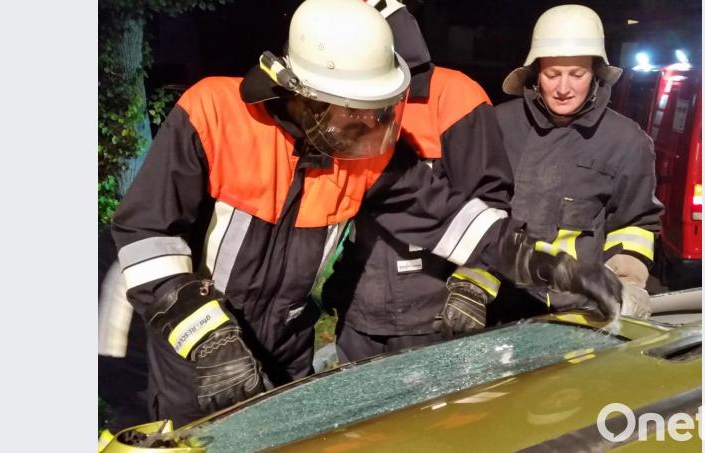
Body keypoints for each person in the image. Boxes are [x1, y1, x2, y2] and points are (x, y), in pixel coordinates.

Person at [111, 0, 623, 427]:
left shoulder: (361, 152)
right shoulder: (212, 115)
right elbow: (146, 236)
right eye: (353, 109)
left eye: (376, 111)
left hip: (287, 345)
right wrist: (211, 343)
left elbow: (450, 217)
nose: (367, 126)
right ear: (304, 97)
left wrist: (543, 264)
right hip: (197, 348)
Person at [321, 0, 513, 363]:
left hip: (435, 315)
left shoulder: (454, 96)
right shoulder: (343, 101)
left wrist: (474, 284)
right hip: (360, 309)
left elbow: (490, 202)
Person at [494, 4, 663, 321]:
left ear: (596, 73)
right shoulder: (499, 126)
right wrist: (471, 287)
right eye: (552, 74)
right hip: (502, 305)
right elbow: (478, 213)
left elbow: (634, 225)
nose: (562, 88)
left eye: (577, 74)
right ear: (535, 72)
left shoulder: (627, 142)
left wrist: (626, 283)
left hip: (581, 309)